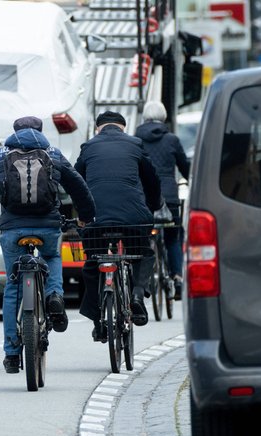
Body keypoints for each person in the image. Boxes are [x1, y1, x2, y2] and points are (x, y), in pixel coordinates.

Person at [0, 116, 95, 374]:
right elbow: (79, 187)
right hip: (47, 227)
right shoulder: (53, 154)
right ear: (41, 131)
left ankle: (11, 354)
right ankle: (54, 295)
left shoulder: (1, 156)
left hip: (12, 229)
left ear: (14, 132)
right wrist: (85, 216)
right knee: (52, 257)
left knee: (13, 286)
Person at [75, 111, 162, 340]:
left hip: (96, 219)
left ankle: (98, 321)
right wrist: (153, 205)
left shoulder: (88, 147)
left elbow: (76, 182)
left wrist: (81, 214)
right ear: (124, 127)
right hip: (133, 217)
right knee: (143, 253)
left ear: (98, 128)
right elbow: (152, 180)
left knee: (93, 261)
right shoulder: (135, 144)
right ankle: (136, 294)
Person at [135, 101, 190, 298]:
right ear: (164, 116)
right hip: (169, 198)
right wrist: (189, 179)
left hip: (144, 198)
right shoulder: (172, 140)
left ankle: (144, 280)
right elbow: (185, 167)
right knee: (173, 238)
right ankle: (177, 278)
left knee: (143, 238)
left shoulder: (136, 139)